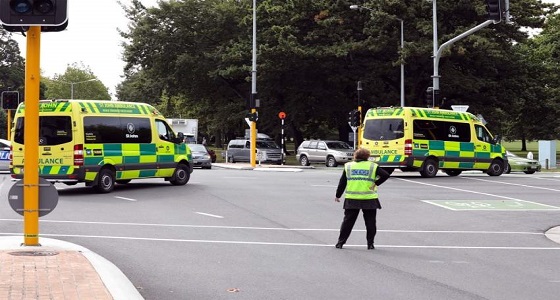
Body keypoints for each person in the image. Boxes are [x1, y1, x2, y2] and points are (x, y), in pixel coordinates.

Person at [334, 148, 390, 250]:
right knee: (370, 222)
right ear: (367, 156)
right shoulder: (373, 166)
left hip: (352, 198)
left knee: (348, 222)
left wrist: (338, 195)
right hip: (369, 198)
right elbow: (386, 175)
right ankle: (370, 244)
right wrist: (376, 183)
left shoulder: (349, 166)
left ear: (355, 155)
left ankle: (340, 242)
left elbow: (342, 182)